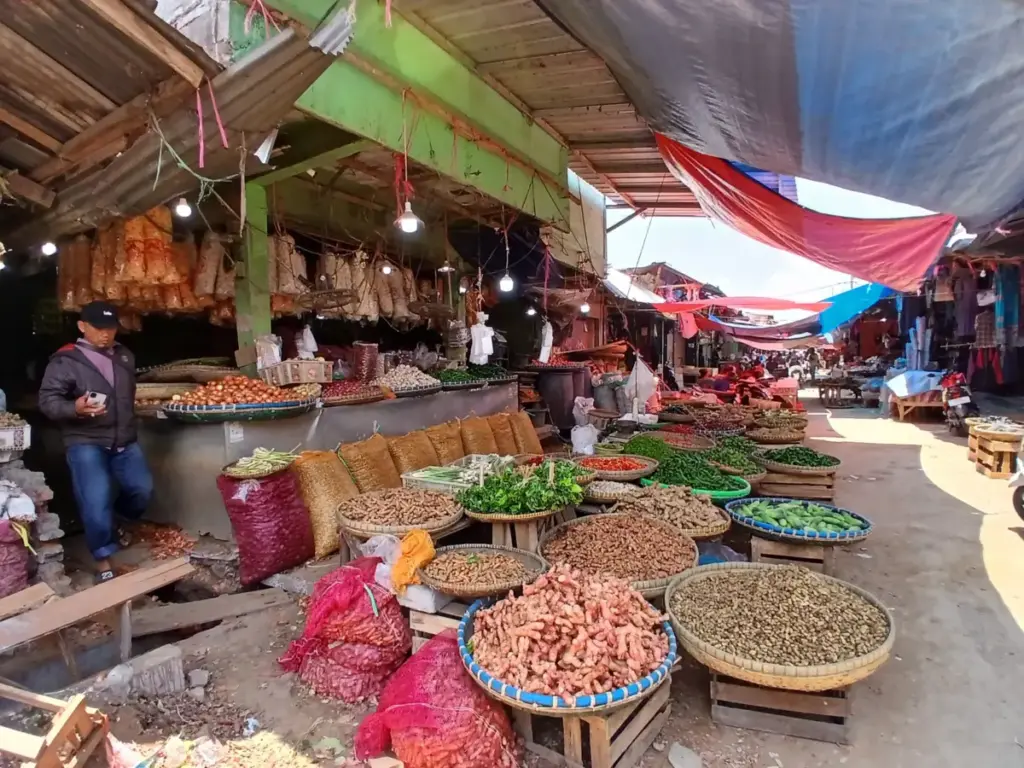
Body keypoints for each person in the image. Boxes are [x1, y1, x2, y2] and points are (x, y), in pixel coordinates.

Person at [39, 301, 152, 583]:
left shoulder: (124, 356)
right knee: (95, 501)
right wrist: (74, 408)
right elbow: (48, 402)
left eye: (111, 328)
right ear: (82, 327)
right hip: (86, 441)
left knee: (142, 490)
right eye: (99, 328)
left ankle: (116, 522)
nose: (106, 334)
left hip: (124, 439)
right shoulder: (66, 361)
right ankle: (103, 560)